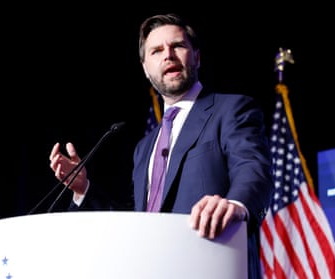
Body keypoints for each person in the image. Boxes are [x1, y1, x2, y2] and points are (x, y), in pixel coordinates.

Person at [48, 13, 273, 279]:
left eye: (177, 46)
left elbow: (252, 168)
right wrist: (83, 189)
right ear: (145, 68)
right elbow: (134, 221)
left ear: (197, 57)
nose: (168, 55)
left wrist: (236, 204)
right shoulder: (144, 146)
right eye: (156, 50)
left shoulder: (231, 110)